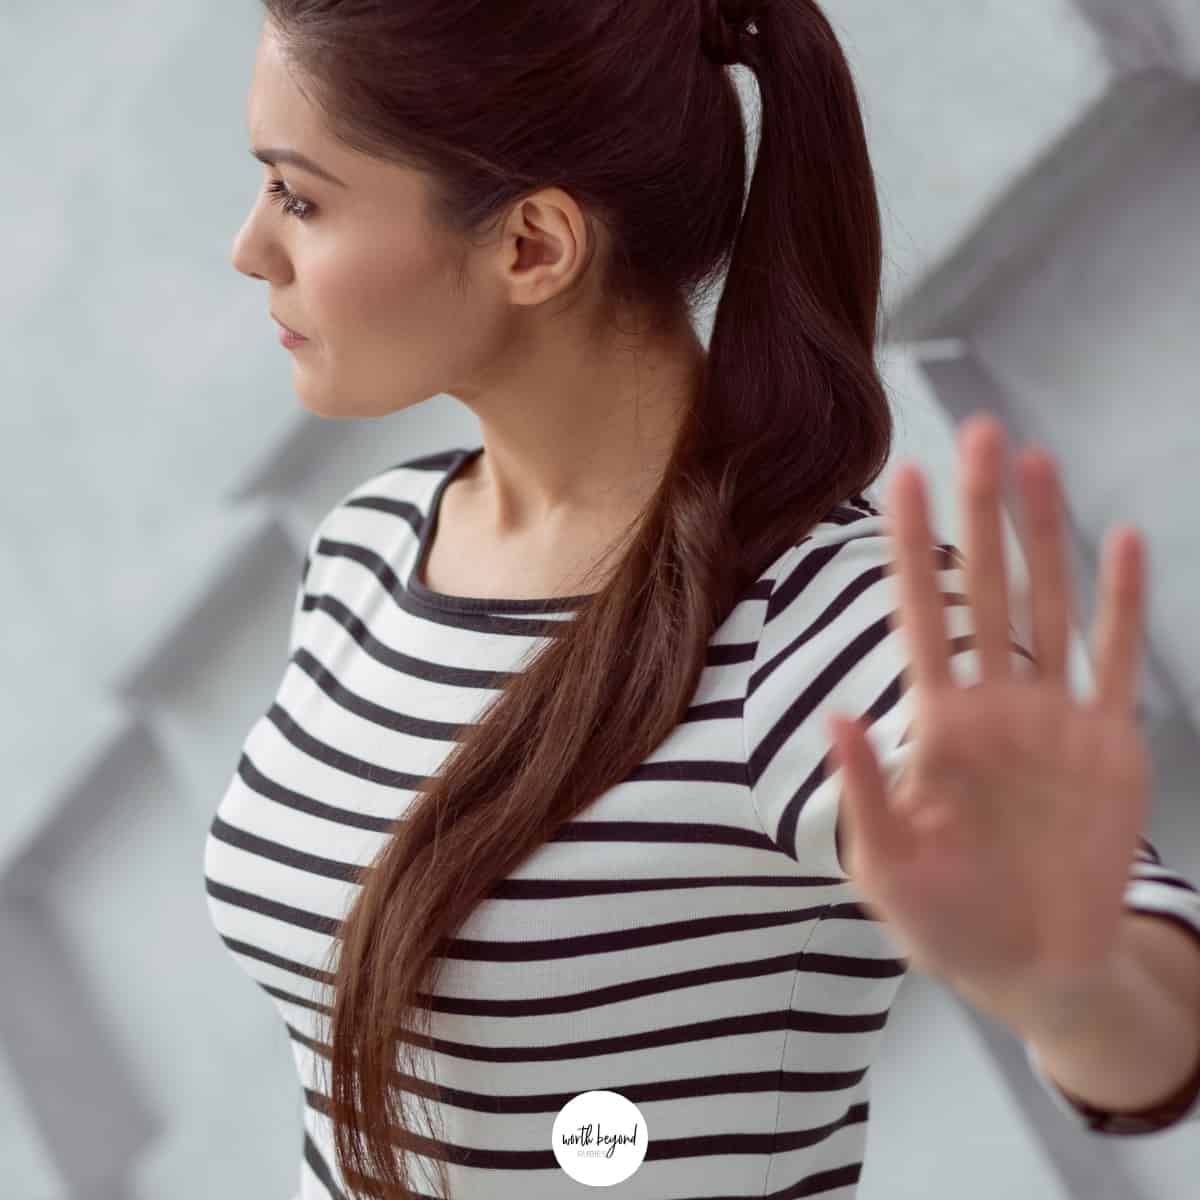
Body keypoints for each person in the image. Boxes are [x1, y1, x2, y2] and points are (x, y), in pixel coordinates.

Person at [210, 2, 1200, 1197]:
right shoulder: (368, 547)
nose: (249, 249)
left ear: (532, 245)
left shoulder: (819, 625)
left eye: (300, 197)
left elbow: (1159, 1019)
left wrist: (1068, 977)